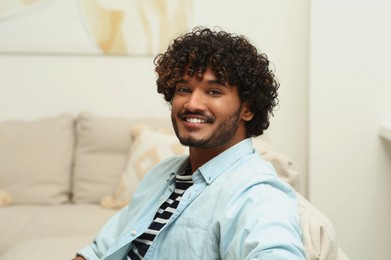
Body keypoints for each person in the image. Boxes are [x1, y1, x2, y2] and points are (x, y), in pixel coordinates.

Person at [73, 27, 305, 260]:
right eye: (184, 89)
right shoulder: (161, 174)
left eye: (214, 91)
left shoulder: (256, 194)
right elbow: (97, 251)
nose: (192, 103)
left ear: (247, 108)